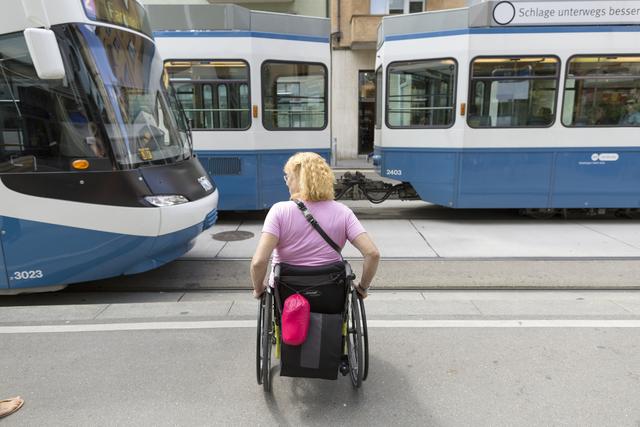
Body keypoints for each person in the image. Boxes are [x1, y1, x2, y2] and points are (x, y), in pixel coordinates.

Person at [251, 152, 380, 300]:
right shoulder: (343, 212)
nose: (286, 182)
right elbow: (372, 254)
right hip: (330, 295)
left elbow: (259, 262)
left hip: (286, 295)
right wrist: (363, 288)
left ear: (299, 181)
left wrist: (258, 289)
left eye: (288, 177)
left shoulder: (279, 211)